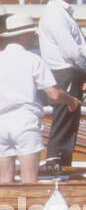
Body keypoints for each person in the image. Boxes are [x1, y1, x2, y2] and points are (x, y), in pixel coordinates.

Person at [0, 15, 79, 184]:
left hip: (1, 122)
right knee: (29, 181)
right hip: (25, 122)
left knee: (4, 181)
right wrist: (71, 100)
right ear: (24, 36)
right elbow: (55, 94)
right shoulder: (33, 60)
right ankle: (28, 208)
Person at [40, 0, 86, 168]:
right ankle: (56, 164)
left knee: (68, 121)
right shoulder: (57, 14)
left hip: (66, 72)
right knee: (64, 120)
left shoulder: (58, 12)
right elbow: (71, 51)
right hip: (65, 72)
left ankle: (62, 163)